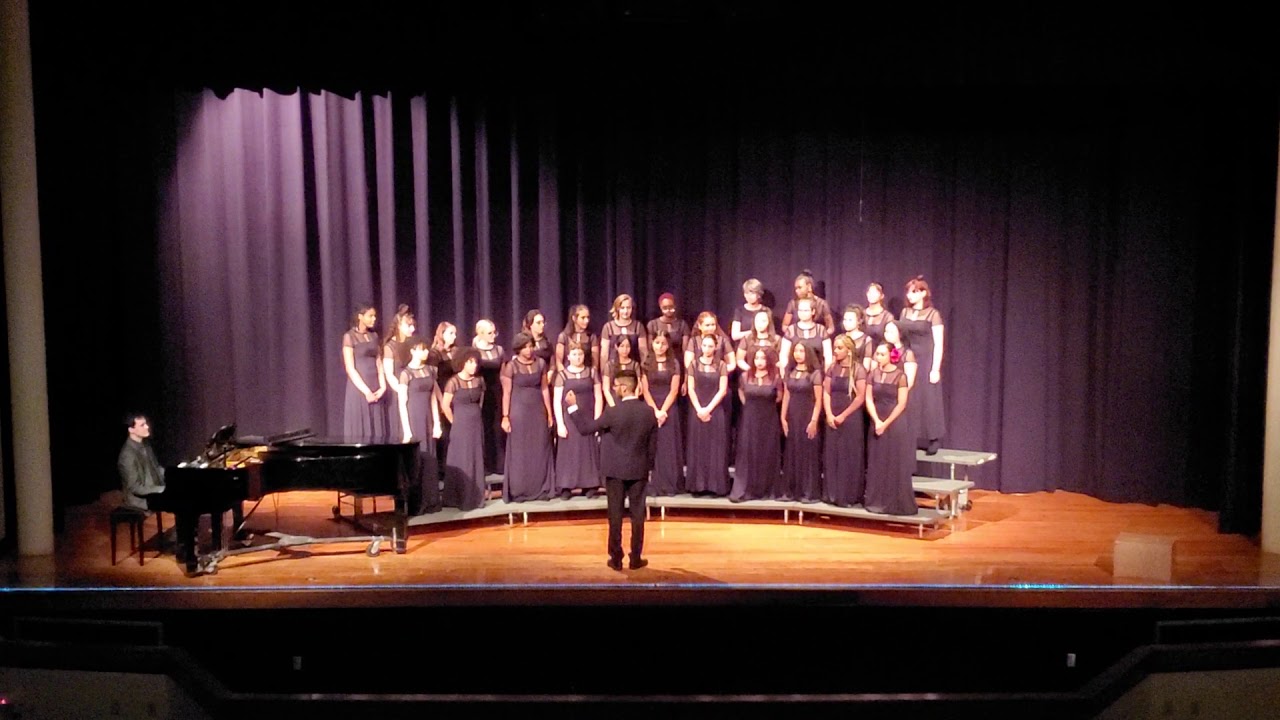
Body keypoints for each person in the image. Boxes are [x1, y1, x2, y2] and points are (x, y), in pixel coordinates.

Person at [565, 370, 659, 571]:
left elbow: (586, 428)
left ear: (624, 388)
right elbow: (653, 445)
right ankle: (636, 558)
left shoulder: (613, 412)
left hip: (615, 472)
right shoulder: (649, 412)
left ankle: (616, 559)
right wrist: (649, 468)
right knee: (638, 515)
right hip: (639, 471)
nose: (614, 389)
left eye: (616, 385)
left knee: (615, 515)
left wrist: (573, 406)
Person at [119, 413, 216, 575]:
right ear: (131, 430)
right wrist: (162, 490)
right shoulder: (127, 455)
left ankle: (184, 548)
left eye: (146, 424)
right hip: (140, 498)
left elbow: (157, 470)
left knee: (187, 499)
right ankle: (190, 559)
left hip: (153, 490)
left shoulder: (145, 446)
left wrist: (177, 474)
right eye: (142, 425)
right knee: (185, 504)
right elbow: (135, 487)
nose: (147, 427)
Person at [500, 332, 555, 503]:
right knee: (520, 452)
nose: (529, 349)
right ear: (518, 348)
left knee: (540, 448)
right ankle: (520, 491)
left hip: (537, 411)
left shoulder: (540, 363)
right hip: (519, 412)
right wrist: (505, 416)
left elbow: (545, 389)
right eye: (525, 347)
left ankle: (542, 488)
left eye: (531, 345)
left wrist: (549, 412)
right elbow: (506, 393)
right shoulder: (511, 366)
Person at [864, 342, 917, 516]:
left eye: (882, 354)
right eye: (877, 354)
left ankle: (895, 503)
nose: (878, 358)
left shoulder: (900, 376)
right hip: (877, 419)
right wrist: (877, 421)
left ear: (890, 355)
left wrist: (885, 423)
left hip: (894, 423)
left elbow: (902, 403)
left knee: (894, 462)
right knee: (877, 461)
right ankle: (876, 501)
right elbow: (869, 399)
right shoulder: (873, 374)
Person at [898, 276, 947, 454]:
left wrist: (935, 368)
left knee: (928, 398)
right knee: (910, 396)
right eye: (908, 292)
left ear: (923, 293)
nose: (909, 295)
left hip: (926, 358)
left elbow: (938, 343)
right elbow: (900, 337)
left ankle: (934, 437)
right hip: (908, 358)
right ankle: (913, 435)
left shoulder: (933, 314)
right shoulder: (904, 313)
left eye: (914, 292)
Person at [729, 347, 782, 501]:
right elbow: (741, 392)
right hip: (749, 420)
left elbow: (779, 397)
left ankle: (766, 489)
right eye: (757, 358)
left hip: (768, 419)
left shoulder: (776, 378)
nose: (759, 361)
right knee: (748, 452)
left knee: (767, 452)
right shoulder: (745, 376)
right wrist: (750, 405)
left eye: (763, 358)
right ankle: (746, 489)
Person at [553, 340, 603, 499]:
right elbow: (557, 400)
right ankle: (566, 486)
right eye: (574, 354)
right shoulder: (562, 375)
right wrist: (560, 424)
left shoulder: (592, 372)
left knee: (588, 450)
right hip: (569, 419)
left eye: (580, 354)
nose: (578, 357)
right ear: (568, 356)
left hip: (588, 417)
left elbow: (598, 396)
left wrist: (597, 420)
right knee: (569, 451)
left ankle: (590, 485)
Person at [398, 338, 443, 513]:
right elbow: (402, 403)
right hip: (414, 420)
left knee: (430, 460)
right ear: (412, 351)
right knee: (417, 460)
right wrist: (407, 430)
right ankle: (416, 504)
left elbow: (433, 398)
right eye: (421, 349)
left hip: (428, 420)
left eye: (426, 349)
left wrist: (437, 423)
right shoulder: (405, 374)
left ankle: (431, 501)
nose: (425, 353)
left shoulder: (429, 371)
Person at [823, 334, 868, 507]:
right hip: (832, 415)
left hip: (850, 418)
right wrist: (828, 413)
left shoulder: (858, 370)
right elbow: (826, 392)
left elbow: (860, 397)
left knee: (849, 455)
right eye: (835, 347)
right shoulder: (832, 368)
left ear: (849, 351)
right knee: (833, 454)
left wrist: (843, 415)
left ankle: (848, 495)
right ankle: (832, 494)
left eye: (839, 348)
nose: (836, 351)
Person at [685, 333, 731, 496]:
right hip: (697, 411)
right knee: (698, 447)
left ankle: (715, 486)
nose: (707, 349)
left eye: (710, 346)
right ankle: (698, 486)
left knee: (715, 448)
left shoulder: (721, 365)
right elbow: (690, 388)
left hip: (715, 411)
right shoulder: (693, 364)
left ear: (716, 347)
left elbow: (722, 390)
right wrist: (699, 409)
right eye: (704, 346)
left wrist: (708, 409)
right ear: (700, 347)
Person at [441, 348, 487, 510]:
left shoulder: (479, 381)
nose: (473, 365)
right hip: (460, 425)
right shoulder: (453, 382)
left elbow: (480, 402)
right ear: (462, 363)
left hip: (475, 424)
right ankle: (458, 498)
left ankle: (476, 497)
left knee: (475, 457)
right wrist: (455, 422)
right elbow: (445, 405)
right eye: (470, 362)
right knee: (461, 458)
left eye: (475, 362)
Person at [641, 329, 683, 496]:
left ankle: (670, 484)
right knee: (652, 447)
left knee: (668, 446)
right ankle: (654, 484)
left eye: (663, 343)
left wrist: (663, 411)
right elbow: (645, 390)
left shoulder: (674, 363)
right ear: (652, 344)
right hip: (651, 408)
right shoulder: (646, 363)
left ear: (668, 345)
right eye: (657, 343)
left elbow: (674, 391)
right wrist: (655, 411)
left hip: (669, 408)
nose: (660, 346)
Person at [781, 342, 824, 502]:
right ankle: (790, 491)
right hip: (792, 416)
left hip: (807, 416)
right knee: (792, 452)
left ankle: (808, 492)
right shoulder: (790, 371)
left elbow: (818, 400)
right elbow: (786, 395)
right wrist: (783, 418)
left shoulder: (815, 374)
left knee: (807, 453)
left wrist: (814, 421)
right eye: (796, 351)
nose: (798, 354)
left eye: (801, 351)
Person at [342, 303, 386, 439]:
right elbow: (350, 368)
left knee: (376, 427)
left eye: (375, 316)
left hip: (375, 386)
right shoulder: (349, 337)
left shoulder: (374, 336)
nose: (374, 319)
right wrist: (366, 391)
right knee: (361, 428)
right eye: (370, 316)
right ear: (360, 317)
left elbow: (379, 361)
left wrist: (383, 386)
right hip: (359, 388)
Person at [473, 319, 507, 476]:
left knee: (497, 427)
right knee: (483, 428)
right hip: (481, 392)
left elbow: (504, 373)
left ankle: (500, 464)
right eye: (489, 333)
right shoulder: (474, 350)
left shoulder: (499, 350)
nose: (493, 335)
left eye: (495, 332)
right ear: (480, 334)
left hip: (497, 391)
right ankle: (485, 465)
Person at [381, 304, 416, 443]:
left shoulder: (413, 343)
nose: (412, 329)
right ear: (399, 326)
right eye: (409, 325)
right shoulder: (390, 347)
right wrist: (401, 389)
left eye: (413, 325)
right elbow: (388, 373)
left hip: (414, 391)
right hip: (399, 392)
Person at [600, 293, 649, 365]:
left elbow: (643, 351)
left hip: (634, 369)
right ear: (617, 308)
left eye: (628, 308)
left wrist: (644, 372)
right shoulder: (608, 327)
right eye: (622, 308)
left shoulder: (638, 326)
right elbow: (604, 354)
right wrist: (604, 373)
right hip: (613, 368)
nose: (626, 311)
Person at [646, 293, 692, 363]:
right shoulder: (652, 324)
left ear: (675, 306)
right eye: (665, 307)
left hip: (677, 361)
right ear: (660, 307)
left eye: (671, 307)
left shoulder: (682, 325)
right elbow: (650, 349)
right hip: (657, 362)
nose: (668, 310)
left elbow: (685, 350)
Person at [556, 304, 597, 371]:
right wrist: (564, 375)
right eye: (583, 318)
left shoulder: (591, 337)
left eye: (588, 317)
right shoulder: (564, 336)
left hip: (586, 374)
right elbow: (559, 362)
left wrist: (593, 373)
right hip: (568, 374)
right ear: (574, 318)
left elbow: (595, 362)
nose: (586, 321)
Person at [730, 278, 769, 343]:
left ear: (759, 294)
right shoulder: (739, 311)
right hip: (742, 347)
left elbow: (770, 332)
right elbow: (735, 336)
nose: (749, 296)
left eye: (752, 293)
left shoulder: (766, 311)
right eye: (746, 293)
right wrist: (754, 332)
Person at [863, 282, 894, 349]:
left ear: (882, 296)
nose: (871, 295)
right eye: (869, 292)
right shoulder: (862, 314)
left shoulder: (887, 317)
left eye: (875, 293)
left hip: (880, 353)